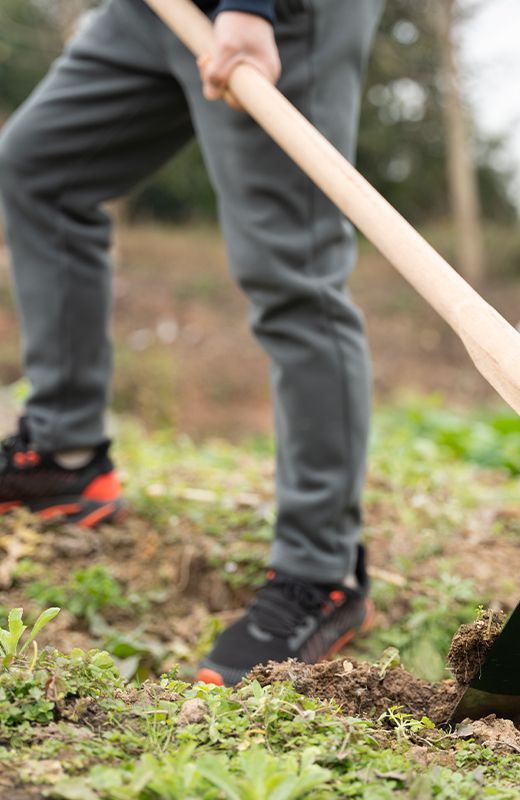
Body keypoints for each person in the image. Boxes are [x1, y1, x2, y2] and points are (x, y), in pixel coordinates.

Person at [0, 0, 383, 687]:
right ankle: (66, 452)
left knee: (291, 272)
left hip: (273, 17)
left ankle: (322, 572)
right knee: (40, 168)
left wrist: (249, 6)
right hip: (157, 10)